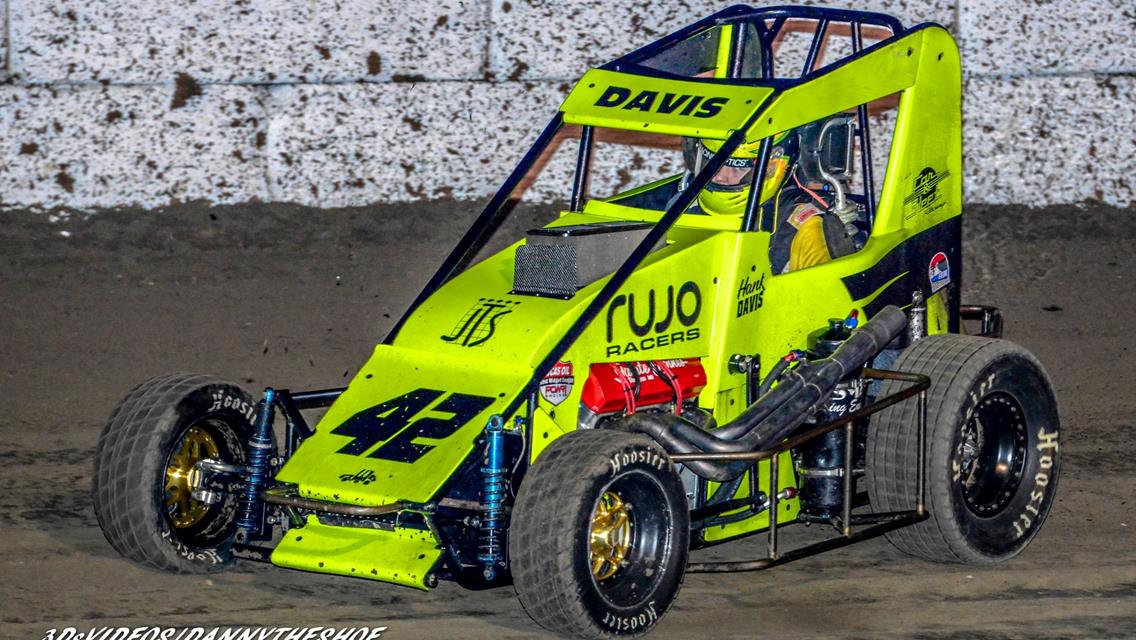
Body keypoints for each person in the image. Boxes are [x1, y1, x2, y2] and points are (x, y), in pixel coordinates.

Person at [679, 127, 862, 273]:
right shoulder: (681, 202)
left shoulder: (804, 226)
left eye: (737, 169)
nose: (719, 177)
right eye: (713, 165)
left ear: (772, 168)